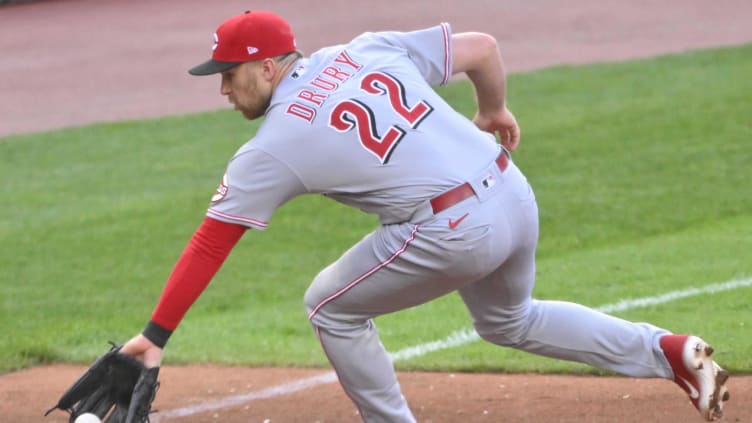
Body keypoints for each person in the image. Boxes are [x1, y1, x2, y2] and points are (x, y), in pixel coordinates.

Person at [119, 10, 730, 422]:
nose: (223, 91)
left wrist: (157, 334)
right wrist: (492, 109)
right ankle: (672, 352)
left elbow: (210, 242)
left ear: (267, 67)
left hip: (455, 230)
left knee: (330, 307)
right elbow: (483, 49)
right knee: (510, 320)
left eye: (228, 76)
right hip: (514, 191)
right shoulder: (362, 50)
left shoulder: (274, 144)